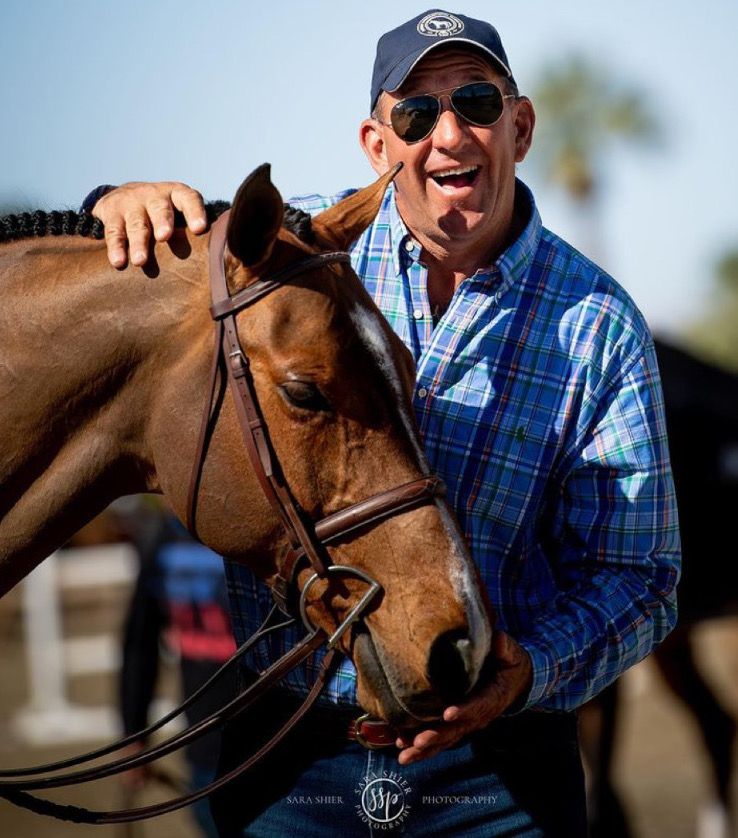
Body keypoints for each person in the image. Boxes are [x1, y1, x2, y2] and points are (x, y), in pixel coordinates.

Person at [86, 10, 681, 837]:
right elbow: (143, 285)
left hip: (500, 777)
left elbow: (641, 576)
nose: (449, 134)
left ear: (520, 126)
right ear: (376, 144)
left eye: (476, 101)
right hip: (287, 756)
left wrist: (530, 669)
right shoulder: (294, 253)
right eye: (415, 113)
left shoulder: (600, 326)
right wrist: (111, 200)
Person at [119, 504, 238, 838]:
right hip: (202, 749)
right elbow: (139, 643)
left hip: (275, 745)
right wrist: (134, 735)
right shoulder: (163, 537)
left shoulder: (256, 529)